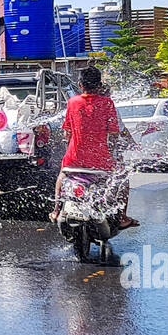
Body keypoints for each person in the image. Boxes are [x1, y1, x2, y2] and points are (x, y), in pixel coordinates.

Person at [52, 64, 137, 228]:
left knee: (61, 176)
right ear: (99, 86)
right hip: (101, 162)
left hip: (73, 160)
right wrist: (112, 152)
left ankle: (56, 210)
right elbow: (114, 134)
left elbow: (66, 133)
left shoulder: (72, 102)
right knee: (123, 180)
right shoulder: (107, 104)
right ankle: (122, 217)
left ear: (80, 85)